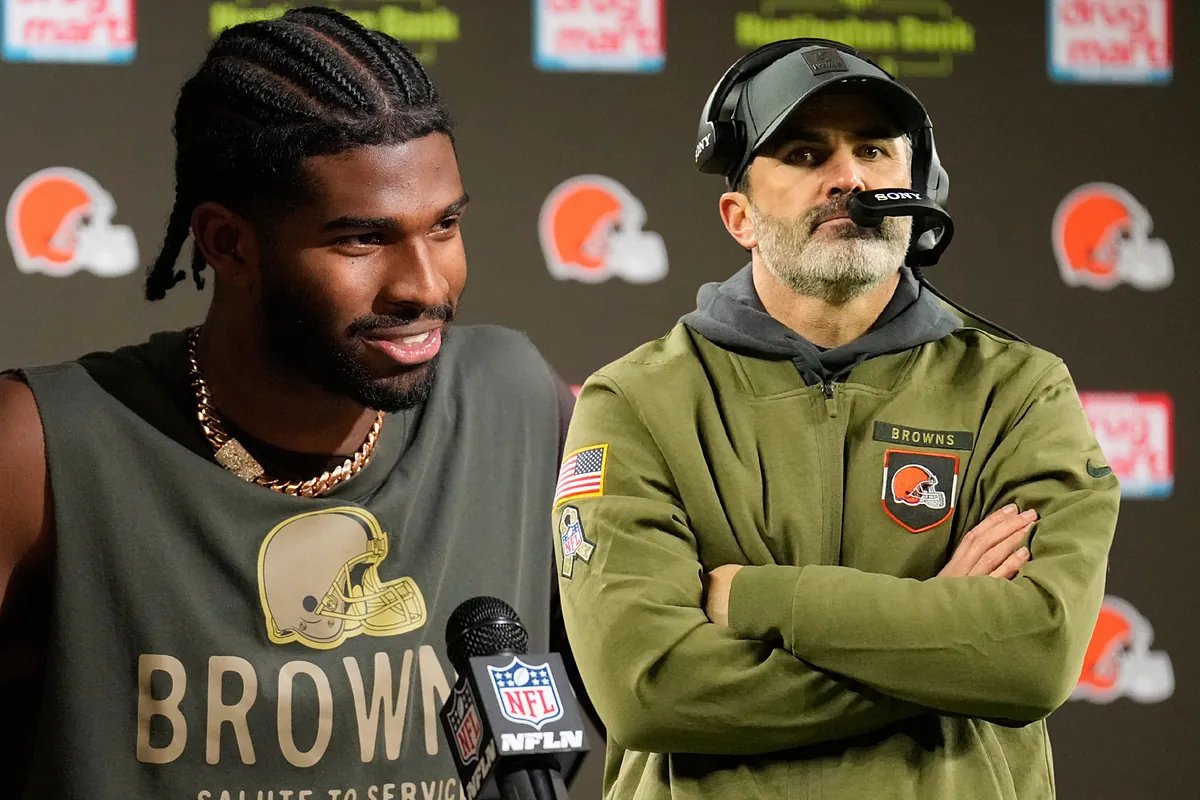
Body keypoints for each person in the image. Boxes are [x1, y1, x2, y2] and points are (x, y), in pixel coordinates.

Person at [0, 7, 588, 798]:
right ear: (228, 244)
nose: (425, 285)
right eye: (362, 240)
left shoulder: (514, 400)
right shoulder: (39, 448)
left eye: (444, 225)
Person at [553, 38, 1119, 799]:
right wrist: (943, 639)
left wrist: (761, 599)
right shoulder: (634, 403)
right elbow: (650, 688)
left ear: (915, 186)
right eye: (803, 152)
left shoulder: (1018, 390)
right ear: (739, 216)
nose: (848, 178)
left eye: (876, 151)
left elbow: (1034, 656)